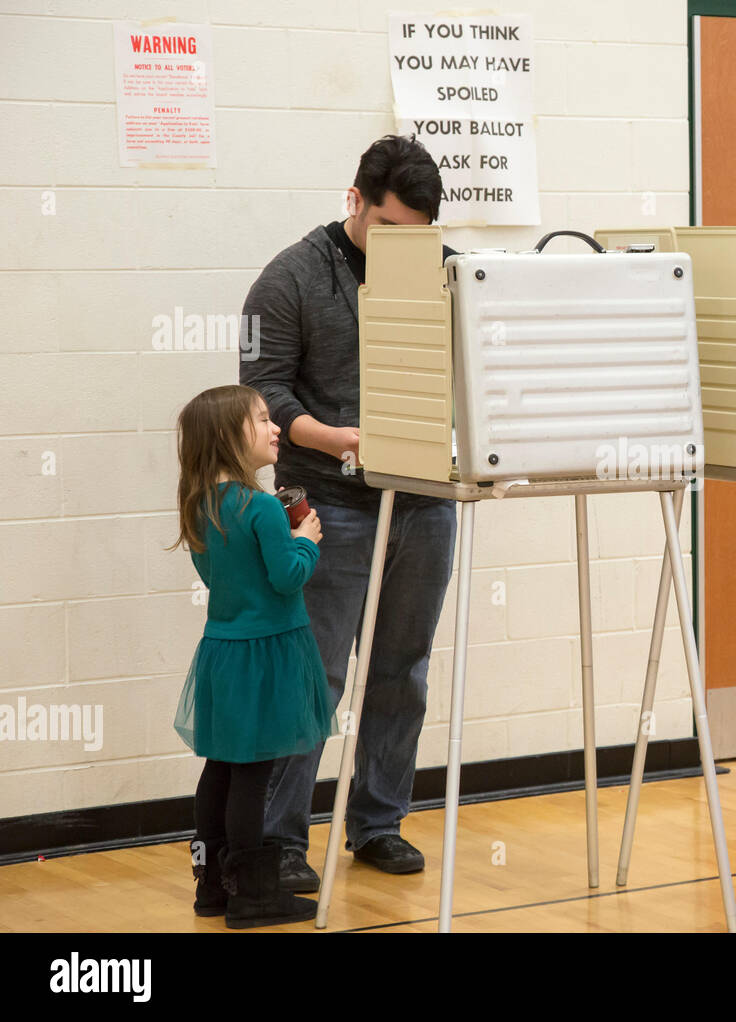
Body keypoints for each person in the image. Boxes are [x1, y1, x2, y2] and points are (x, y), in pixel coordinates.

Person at [240, 134, 458, 891]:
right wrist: (332, 440)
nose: (405, 245)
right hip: (325, 501)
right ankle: (278, 840)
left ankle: (377, 824)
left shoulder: (449, 272)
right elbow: (264, 391)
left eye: (418, 235)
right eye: (390, 228)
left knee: (403, 673)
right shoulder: (291, 277)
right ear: (354, 201)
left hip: (424, 500)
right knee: (315, 675)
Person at [171, 384, 334, 928]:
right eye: (262, 419)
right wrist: (305, 539)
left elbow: (214, 577)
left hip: (222, 652)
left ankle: (212, 887)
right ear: (227, 437)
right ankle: (255, 895)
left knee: (222, 766)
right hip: (269, 654)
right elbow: (286, 579)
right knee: (253, 772)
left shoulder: (200, 506)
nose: (275, 428)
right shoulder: (263, 506)